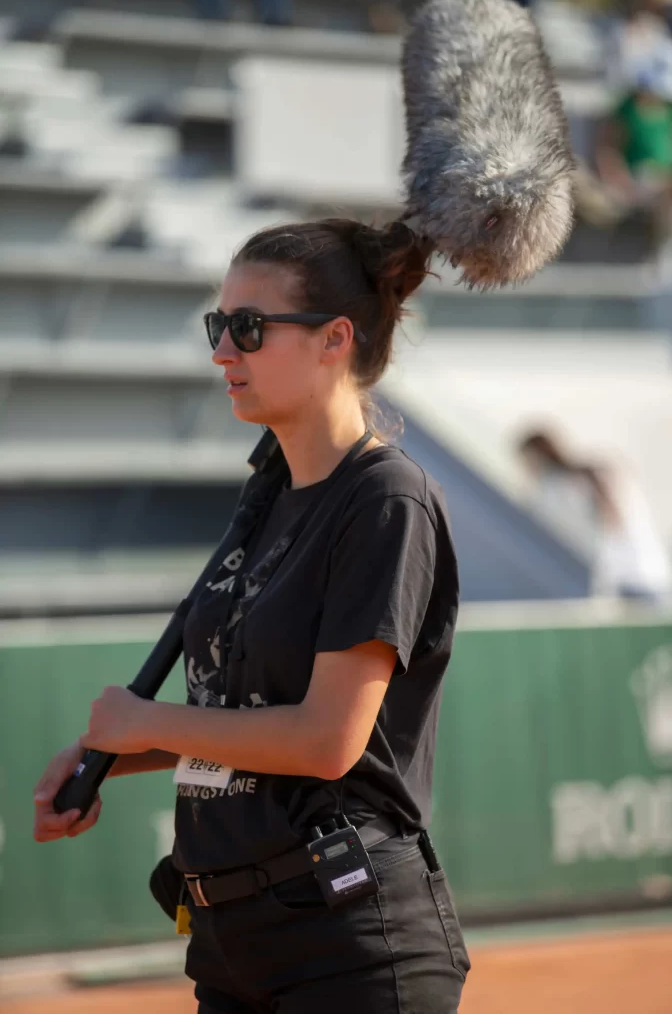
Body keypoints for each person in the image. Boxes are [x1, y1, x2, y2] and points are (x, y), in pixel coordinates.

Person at [33, 218, 470, 1013]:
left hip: (345, 942)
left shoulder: (384, 499)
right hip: (230, 939)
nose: (221, 351)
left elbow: (325, 741)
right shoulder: (267, 496)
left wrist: (144, 722)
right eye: (218, 325)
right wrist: (111, 753)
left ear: (334, 338)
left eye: (248, 328)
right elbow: (240, 719)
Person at [518, 429, 672, 600]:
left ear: (536, 457)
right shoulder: (598, 475)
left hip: (625, 582)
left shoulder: (559, 489)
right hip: (653, 576)